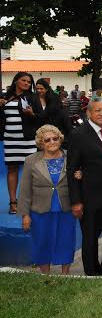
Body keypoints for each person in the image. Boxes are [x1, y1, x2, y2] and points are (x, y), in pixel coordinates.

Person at [68, 99, 102, 276]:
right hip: (90, 197)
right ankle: (92, 273)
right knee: (90, 238)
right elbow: (72, 169)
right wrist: (76, 201)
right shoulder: (79, 134)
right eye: (98, 110)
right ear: (89, 113)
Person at [18, 124, 77, 274]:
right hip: (40, 210)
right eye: (47, 140)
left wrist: (81, 175)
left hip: (66, 208)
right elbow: (25, 190)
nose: (52, 142)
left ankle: (65, 275)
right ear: (41, 143)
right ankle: (46, 275)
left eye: (55, 138)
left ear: (60, 139)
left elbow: (82, 180)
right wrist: (25, 215)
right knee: (42, 241)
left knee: (66, 241)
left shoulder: (71, 157)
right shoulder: (31, 160)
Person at [1, 72, 42, 214]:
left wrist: (31, 114)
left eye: (29, 82)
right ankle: (13, 202)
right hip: (10, 139)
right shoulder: (5, 97)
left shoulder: (33, 97)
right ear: (16, 81)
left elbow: (41, 117)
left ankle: (27, 202)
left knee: (29, 171)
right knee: (12, 169)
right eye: (23, 80)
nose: (26, 83)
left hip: (28, 139)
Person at [35, 79, 72, 148]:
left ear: (46, 89)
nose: (39, 90)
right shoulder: (34, 98)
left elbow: (53, 112)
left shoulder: (54, 98)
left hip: (55, 129)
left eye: (41, 88)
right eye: (37, 89)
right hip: (40, 132)